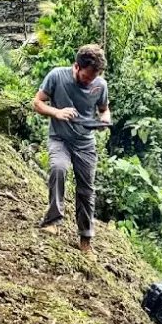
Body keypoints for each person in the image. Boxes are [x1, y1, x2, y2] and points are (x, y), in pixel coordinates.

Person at [32, 44, 111, 253]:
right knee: (58, 169)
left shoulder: (100, 85)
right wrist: (56, 112)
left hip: (85, 143)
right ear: (76, 66)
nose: (89, 82)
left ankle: (85, 239)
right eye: (86, 77)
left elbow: (104, 110)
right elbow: (37, 102)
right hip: (60, 138)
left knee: (86, 190)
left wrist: (104, 120)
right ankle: (53, 222)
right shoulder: (56, 76)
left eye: (93, 78)